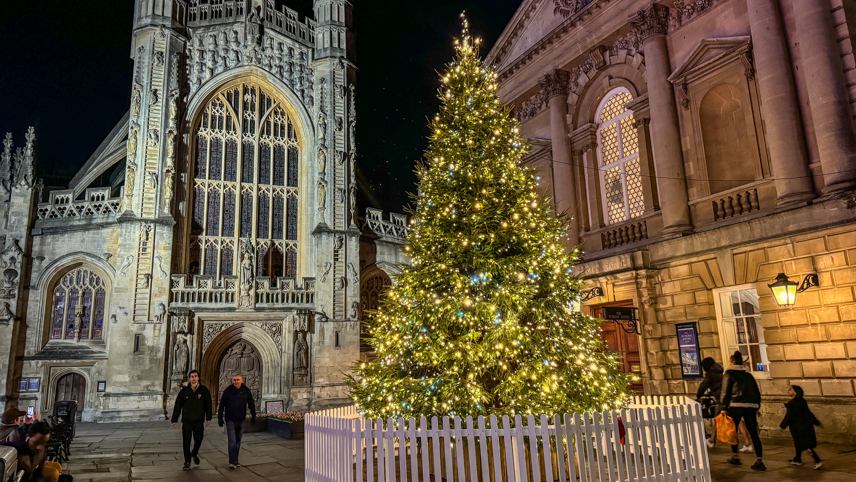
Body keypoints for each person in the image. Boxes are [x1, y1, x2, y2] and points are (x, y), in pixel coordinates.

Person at [721, 350, 765, 471]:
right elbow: (756, 392)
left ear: (733, 362)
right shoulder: (748, 375)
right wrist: (757, 406)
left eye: (730, 361)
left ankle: (735, 456)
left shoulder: (729, 374)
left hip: (735, 405)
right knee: (753, 433)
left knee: (733, 432)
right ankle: (759, 459)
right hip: (750, 406)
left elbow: (725, 392)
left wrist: (723, 408)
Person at [171, 370, 213, 471]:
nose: (193, 378)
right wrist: (174, 419)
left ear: (198, 378)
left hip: (198, 420)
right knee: (186, 441)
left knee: (199, 439)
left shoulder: (203, 390)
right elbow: (178, 405)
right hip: (187, 421)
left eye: (195, 376)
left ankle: (194, 453)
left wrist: (208, 417)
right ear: (190, 378)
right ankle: (187, 461)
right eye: (192, 376)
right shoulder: (184, 391)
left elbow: (208, 404)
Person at [780, 385, 823, 469]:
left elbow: (789, 416)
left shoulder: (792, 404)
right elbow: (808, 413)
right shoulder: (802, 401)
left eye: (790, 390)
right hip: (806, 425)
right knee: (799, 444)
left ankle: (817, 460)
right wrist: (817, 423)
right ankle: (797, 459)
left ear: (795, 392)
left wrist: (783, 426)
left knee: (805, 445)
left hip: (797, 427)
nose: (788, 391)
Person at [218, 374, 255, 469]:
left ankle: (235, 460)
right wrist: (220, 418)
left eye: (238, 380)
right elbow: (222, 404)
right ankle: (231, 462)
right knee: (232, 441)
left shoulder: (245, 390)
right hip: (230, 419)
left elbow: (251, 402)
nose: (236, 382)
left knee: (238, 440)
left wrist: (253, 415)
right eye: (234, 380)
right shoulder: (228, 390)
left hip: (241, 418)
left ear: (242, 380)